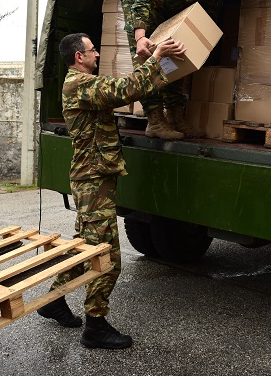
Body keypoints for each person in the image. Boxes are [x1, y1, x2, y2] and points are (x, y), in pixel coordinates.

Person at [36, 32, 186, 349]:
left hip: (93, 178)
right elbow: (125, 90)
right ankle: (96, 326)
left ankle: (54, 300)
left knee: (86, 246)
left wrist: (150, 62)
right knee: (107, 257)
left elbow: (123, 87)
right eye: (92, 51)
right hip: (92, 181)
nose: (98, 55)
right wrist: (156, 58)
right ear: (79, 57)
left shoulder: (83, 83)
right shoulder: (79, 84)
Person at [122, 0, 235, 140]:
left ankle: (175, 117)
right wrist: (140, 37)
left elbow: (207, 18)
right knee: (146, 57)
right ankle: (155, 121)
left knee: (178, 52)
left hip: (169, 2)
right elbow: (144, 2)